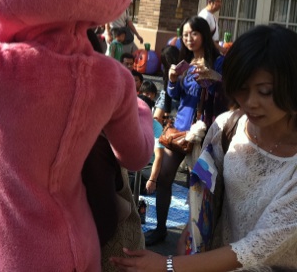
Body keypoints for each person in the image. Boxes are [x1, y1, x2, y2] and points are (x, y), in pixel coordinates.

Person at [112, 24, 297, 271]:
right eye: (242, 88)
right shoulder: (228, 126)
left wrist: (168, 265)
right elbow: (204, 190)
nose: (251, 102)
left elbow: (256, 248)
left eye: (265, 91)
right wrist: (193, 230)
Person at [144, 16, 224, 246]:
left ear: (204, 34)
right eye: (185, 35)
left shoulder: (219, 62)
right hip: (181, 129)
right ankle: (160, 229)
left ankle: (197, 237)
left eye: (194, 33)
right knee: (164, 176)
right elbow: (175, 96)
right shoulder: (185, 62)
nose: (189, 38)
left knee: (199, 185)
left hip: (205, 131)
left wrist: (212, 79)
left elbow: (228, 92)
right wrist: (171, 80)